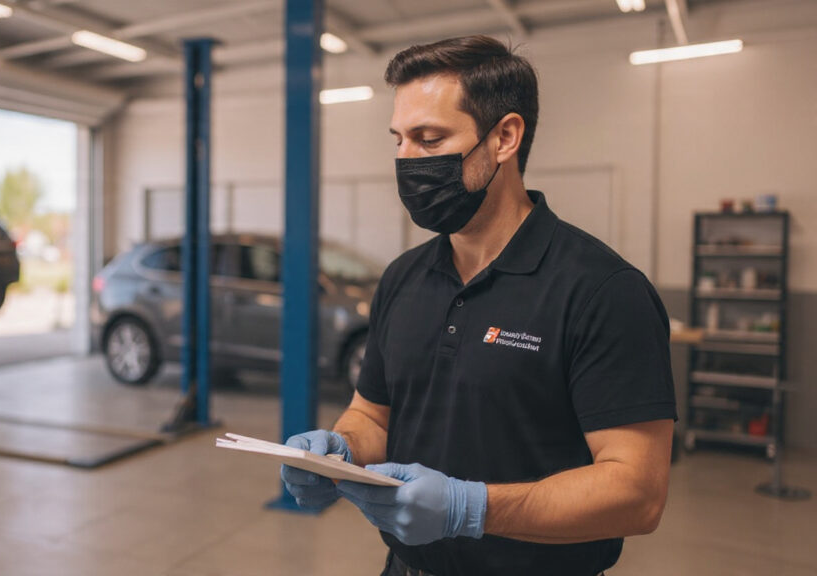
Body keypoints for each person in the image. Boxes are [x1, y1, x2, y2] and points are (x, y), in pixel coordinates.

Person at [279, 35, 676, 576]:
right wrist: (339, 450)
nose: (406, 160)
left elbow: (637, 492)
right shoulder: (403, 278)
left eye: (429, 138)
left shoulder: (601, 290)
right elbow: (372, 413)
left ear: (505, 138)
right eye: (398, 139)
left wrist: (473, 509)